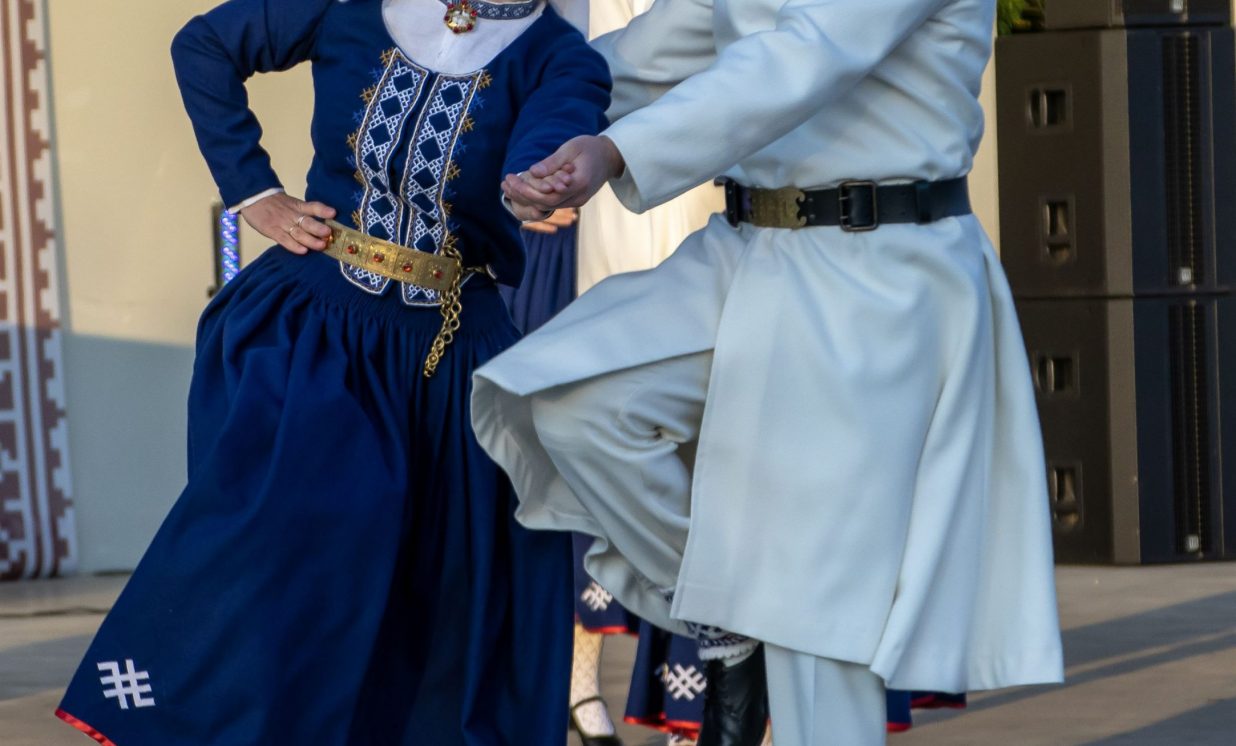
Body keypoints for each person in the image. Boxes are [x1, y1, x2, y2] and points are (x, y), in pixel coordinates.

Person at [473, 0, 1065, 742]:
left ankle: (754, 622)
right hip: (750, 252)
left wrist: (616, 151)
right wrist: (484, 99)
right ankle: (727, 622)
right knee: (569, 403)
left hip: (879, 275)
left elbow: (800, 58)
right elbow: (642, 56)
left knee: (819, 634)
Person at [55, 1, 608, 744]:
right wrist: (254, 191)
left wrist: (536, 180)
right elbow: (205, 44)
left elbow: (552, 135)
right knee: (294, 551)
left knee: (440, 593)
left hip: (448, 358)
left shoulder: (559, 56)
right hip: (316, 333)